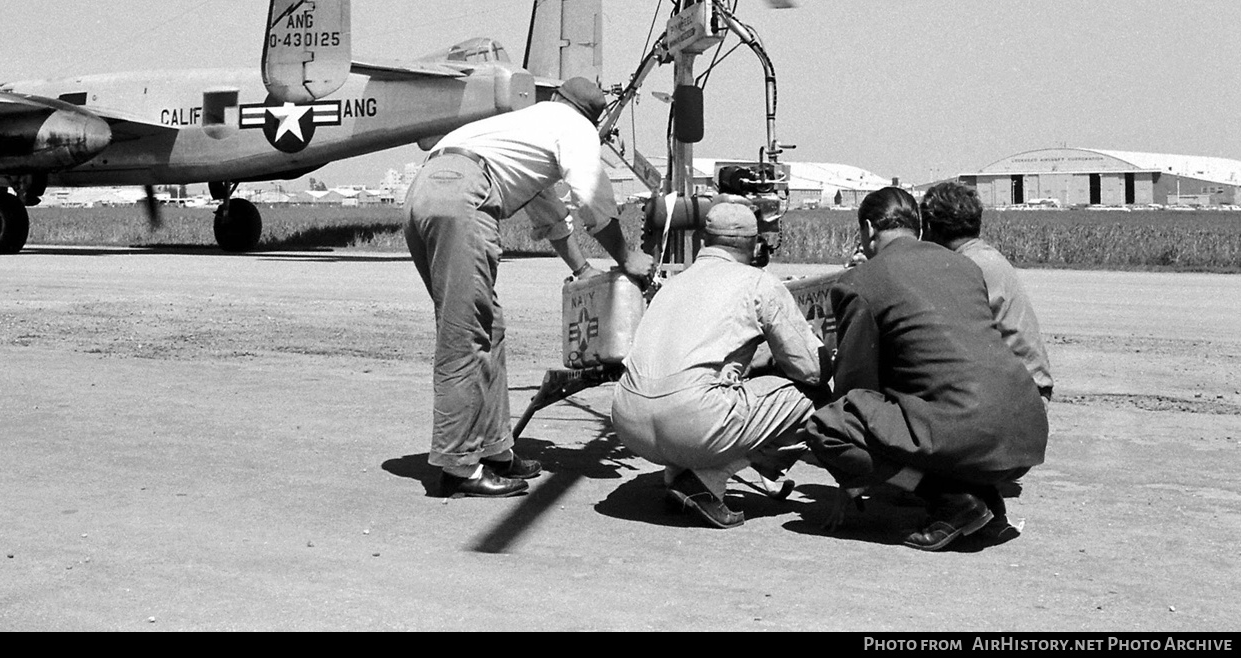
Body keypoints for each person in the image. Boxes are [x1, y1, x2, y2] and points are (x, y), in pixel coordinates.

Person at [403, 77, 653, 499]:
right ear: (595, 118)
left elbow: (547, 208)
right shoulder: (576, 128)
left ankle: (496, 450)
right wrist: (627, 257)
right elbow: (590, 195)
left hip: (429, 190)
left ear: (556, 98)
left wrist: (582, 267)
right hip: (461, 197)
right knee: (464, 334)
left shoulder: (528, 126)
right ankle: (458, 466)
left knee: (488, 326)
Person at [806, 186, 1049, 550]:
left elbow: (854, 388)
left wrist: (849, 472)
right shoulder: (965, 266)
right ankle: (986, 503)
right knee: (937, 407)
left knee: (827, 427)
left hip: (966, 429)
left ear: (869, 229)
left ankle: (949, 500)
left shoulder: (858, 283)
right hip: (1024, 433)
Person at [611, 202, 828, 529]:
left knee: (715, 389)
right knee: (813, 400)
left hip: (629, 421)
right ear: (755, 246)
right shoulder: (758, 282)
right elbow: (810, 369)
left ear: (703, 240)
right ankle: (707, 478)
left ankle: (683, 471)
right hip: (691, 425)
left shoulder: (672, 284)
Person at [920, 181, 1054, 403]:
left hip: (1018, 393)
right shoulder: (984, 257)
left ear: (931, 228)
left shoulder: (965, 266)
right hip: (1028, 384)